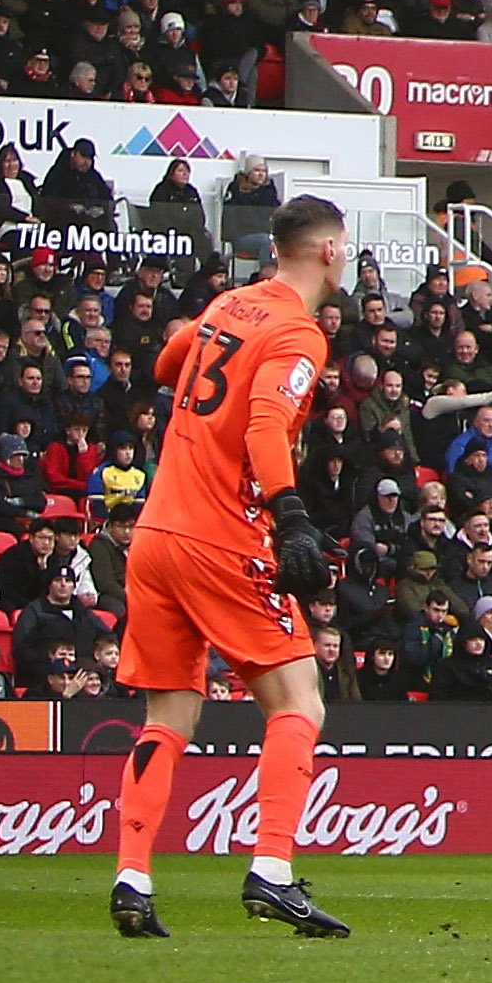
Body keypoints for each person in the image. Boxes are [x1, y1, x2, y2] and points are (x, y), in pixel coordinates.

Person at [108, 193, 353, 939]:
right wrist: (292, 516)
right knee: (298, 701)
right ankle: (271, 869)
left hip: (156, 533)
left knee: (167, 717)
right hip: (222, 535)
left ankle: (133, 876)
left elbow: (164, 361)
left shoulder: (231, 302)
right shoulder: (298, 332)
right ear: (329, 252)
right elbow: (264, 422)